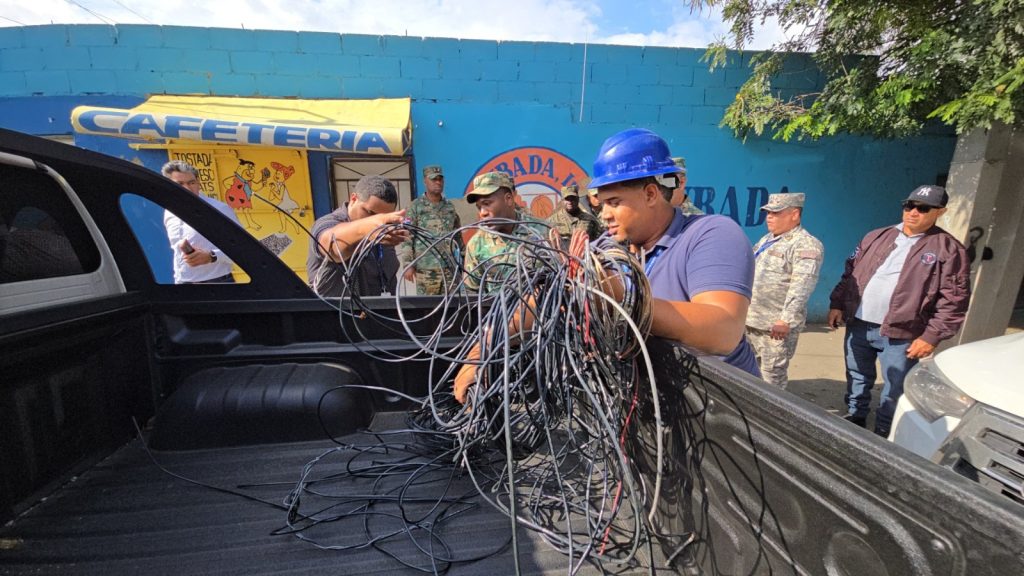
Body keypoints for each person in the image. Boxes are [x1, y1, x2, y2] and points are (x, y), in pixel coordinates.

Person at [589, 128, 759, 375]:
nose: (605, 215)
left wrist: (621, 296)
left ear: (650, 194)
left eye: (614, 202)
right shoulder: (608, 247)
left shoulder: (710, 234)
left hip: (718, 405)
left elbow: (724, 330)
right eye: (602, 204)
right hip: (648, 397)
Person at [828, 185, 970, 436]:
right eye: (909, 205)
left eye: (923, 208)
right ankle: (855, 416)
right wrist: (837, 303)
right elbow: (850, 273)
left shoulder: (947, 249)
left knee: (895, 386)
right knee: (857, 375)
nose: (913, 212)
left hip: (902, 332)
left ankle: (884, 430)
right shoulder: (877, 236)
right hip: (860, 323)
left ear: (940, 212)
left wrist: (931, 336)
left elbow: (954, 299)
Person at [745, 193, 824, 388]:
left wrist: (785, 319)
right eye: (768, 212)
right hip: (752, 320)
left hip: (775, 327)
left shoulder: (806, 244)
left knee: (771, 378)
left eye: (776, 213)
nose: (769, 217)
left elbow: (802, 285)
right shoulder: (768, 239)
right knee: (748, 373)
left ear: (794, 214)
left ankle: (770, 417)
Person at [306, 174, 408, 297]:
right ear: (353, 199)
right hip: (336, 313)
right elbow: (333, 247)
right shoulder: (327, 223)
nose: (377, 221)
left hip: (378, 312)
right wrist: (368, 228)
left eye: (384, 217)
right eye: (370, 213)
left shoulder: (383, 229)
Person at [462, 171, 545, 294]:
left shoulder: (543, 232)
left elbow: (561, 284)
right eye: (479, 207)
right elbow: (470, 294)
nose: (482, 213)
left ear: (509, 199)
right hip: (494, 312)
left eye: (487, 204)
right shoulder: (476, 244)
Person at [161, 160, 241, 284]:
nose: (187, 188)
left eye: (191, 182)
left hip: (219, 283)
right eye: (180, 184)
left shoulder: (218, 210)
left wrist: (212, 256)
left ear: (198, 183)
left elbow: (242, 250)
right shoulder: (169, 211)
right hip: (183, 283)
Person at [397, 165, 464, 295]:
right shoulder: (415, 207)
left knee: (452, 309)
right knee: (428, 309)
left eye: (440, 179)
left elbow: (458, 237)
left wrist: (464, 262)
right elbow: (407, 237)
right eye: (434, 179)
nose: (438, 182)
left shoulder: (450, 207)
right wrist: (408, 264)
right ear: (425, 181)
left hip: (449, 269)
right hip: (426, 270)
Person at [545, 183, 603, 247]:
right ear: (562, 201)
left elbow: (600, 241)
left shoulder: (590, 220)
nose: (570, 202)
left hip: (585, 255)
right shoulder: (552, 220)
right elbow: (547, 244)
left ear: (578, 199)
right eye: (567, 199)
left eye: (573, 198)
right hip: (560, 256)